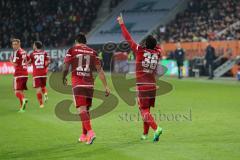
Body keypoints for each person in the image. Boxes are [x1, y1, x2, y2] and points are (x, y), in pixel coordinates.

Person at [117, 14, 163, 142]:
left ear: (145, 44)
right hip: (152, 86)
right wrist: (150, 42)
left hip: (142, 86)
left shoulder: (140, 51)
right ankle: (145, 134)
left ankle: (156, 128)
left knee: (143, 110)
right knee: (146, 110)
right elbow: (155, 46)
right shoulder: (158, 52)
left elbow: (128, 38)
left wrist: (121, 23)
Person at [62, 33, 110, 145]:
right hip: (89, 85)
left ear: (76, 41)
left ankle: (90, 132)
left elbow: (66, 66)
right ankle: (84, 135)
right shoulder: (93, 52)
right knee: (86, 111)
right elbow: (100, 71)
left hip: (78, 84)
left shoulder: (72, 50)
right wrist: (106, 87)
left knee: (81, 110)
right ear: (85, 42)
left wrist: (64, 77)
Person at [28, 41, 50, 108]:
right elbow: (48, 61)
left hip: (36, 73)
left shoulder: (32, 54)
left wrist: (27, 63)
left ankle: (41, 104)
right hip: (43, 73)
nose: (33, 46)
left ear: (36, 46)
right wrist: (44, 66)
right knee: (43, 86)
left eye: (33, 45)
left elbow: (29, 63)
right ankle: (45, 94)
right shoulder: (45, 53)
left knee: (38, 89)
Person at [9, 39, 29, 112]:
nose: (13, 46)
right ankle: (22, 108)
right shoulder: (24, 51)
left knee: (16, 91)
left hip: (18, 74)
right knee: (21, 91)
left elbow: (15, 64)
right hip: (25, 74)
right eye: (13, 44)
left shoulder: (17, 52)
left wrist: (10, 59)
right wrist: (25, 65)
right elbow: (29, 60)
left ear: (18, 44)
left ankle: (24, 99)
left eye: (15, 44)